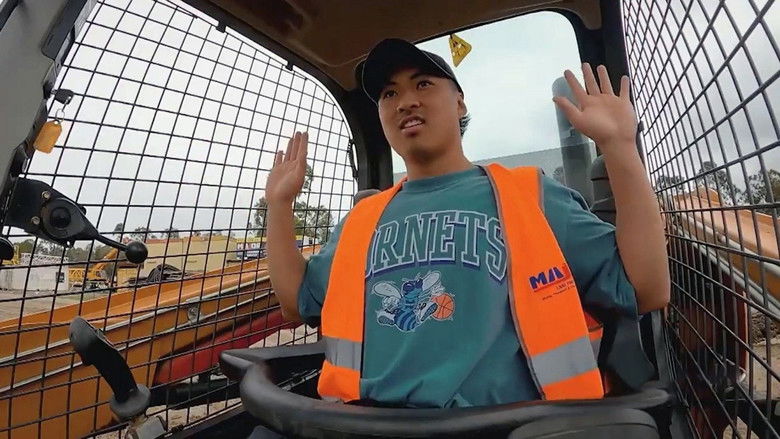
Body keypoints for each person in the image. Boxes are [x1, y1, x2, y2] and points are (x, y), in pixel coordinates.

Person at [264, 38, 670, 408]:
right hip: (366, 425)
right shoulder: (361, 221)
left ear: (459, 103)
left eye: (423, 84)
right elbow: (297, 301)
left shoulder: (531, 196)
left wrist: (619, 146)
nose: (405, 102)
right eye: (390, 94)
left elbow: (647, 289)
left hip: (510, 426)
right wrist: (279, 205)